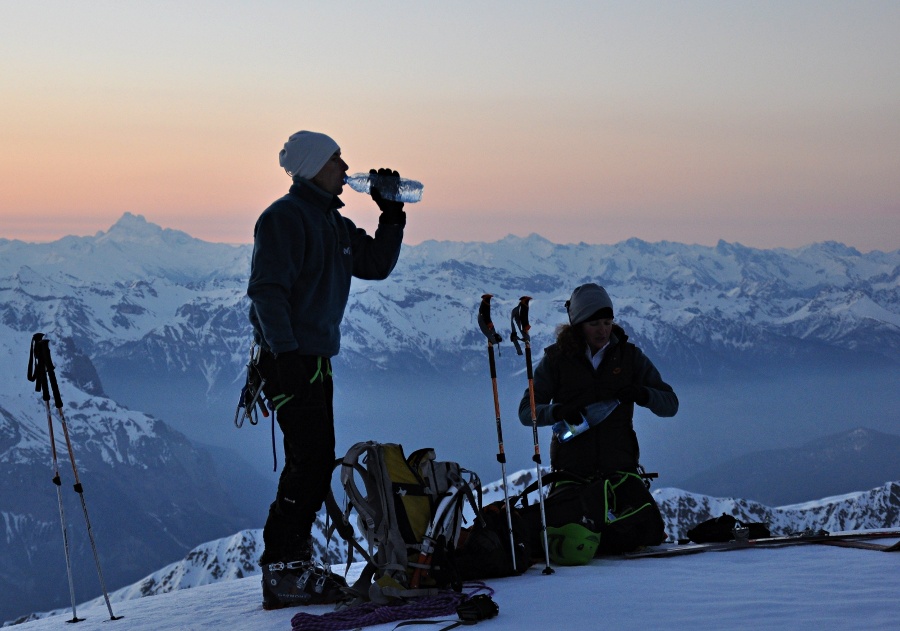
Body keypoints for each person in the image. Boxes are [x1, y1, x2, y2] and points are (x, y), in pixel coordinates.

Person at [247, 130, 406, 608]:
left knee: (313, 460)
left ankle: (290, 566)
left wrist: (391, 211)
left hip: (313, 362)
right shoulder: (284, 218)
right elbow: (266, 291)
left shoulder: (332, 223)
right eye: (336, 158)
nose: (345, 165)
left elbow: (376, 264)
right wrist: (287, 354)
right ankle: (282, 569)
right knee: (310, 461)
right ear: (314, 165)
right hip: (293, 362)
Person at [518, 283, 678, 553]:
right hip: (572, 475)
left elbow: (670, 405)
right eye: (594, 323)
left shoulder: (630, 357)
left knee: (644, 534)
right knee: (574, 543)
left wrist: (642, 393)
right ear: (578, 323)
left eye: (607, 321)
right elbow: (527, 412)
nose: (603, 330)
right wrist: (557, 411)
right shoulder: (557, 360)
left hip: (620, 473)